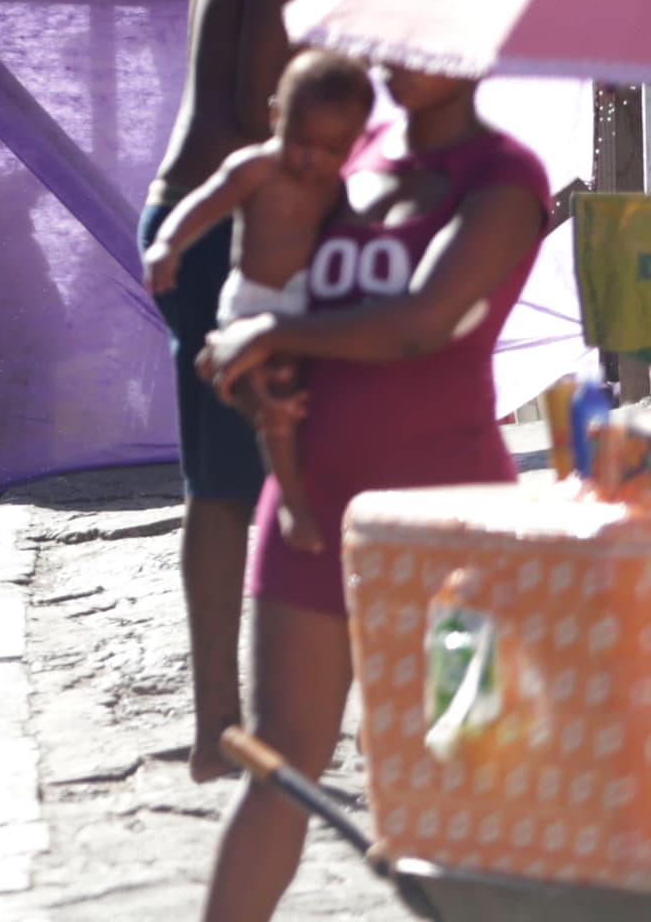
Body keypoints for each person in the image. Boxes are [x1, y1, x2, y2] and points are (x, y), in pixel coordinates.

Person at [193, 58, 552, 922]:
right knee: (280, 767)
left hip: (457, 530)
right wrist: (253, 377)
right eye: (400, 38)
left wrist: (265, 331)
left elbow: (424, 323)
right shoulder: (344, 154)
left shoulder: (506, 176)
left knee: (467, 776)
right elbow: (272, 281)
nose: (408, 56)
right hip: (313, 515)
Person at [140, 0, 416, 783]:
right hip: (226, 236)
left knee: (236, 480)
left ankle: (238, 722)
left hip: (214, 224)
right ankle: (237, 725)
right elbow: (271, 125)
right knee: (239, 483)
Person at [138, 53, 375, 551]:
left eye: (332, 149)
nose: (312, 160)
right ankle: (291, 501)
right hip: (252, 300)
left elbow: (355, 231)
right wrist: (168, 245)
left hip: (305, 303)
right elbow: (202, 205)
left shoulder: (334, 186)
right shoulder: (255, 169)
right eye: (301, 141)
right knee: (274, 401)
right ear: (275, 117)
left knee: (309, 398)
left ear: (356, 140)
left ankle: (226, 373)